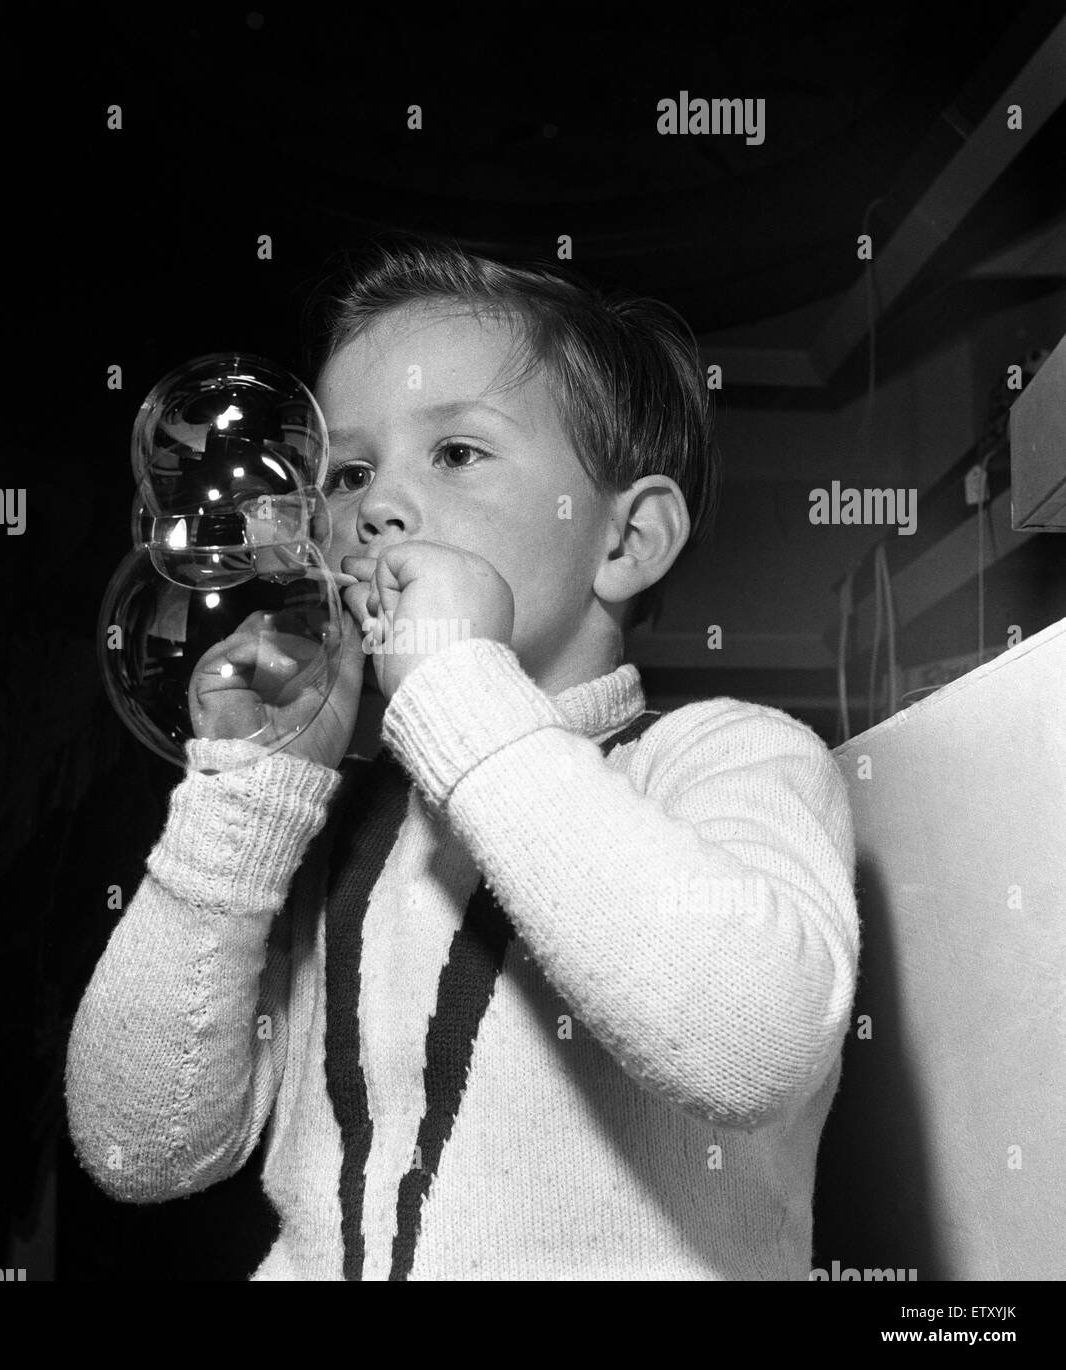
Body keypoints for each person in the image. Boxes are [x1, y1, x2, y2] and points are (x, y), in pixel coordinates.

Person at [64, 235, 860, 1280]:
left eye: (456, 452)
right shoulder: (335, 835)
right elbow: (140, 1145)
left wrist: (454, 686)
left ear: (624, 542)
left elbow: (753, 1039)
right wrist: (251, 797)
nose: (372, 510)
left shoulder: (725, 757)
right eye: (346, 473)